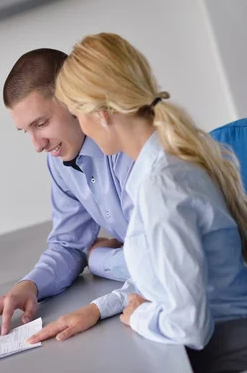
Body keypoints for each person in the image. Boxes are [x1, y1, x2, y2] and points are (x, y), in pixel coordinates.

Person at [28, 33, 247, 372]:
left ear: (101, 114)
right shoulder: (161, 164)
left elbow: (190, 325)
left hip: (222, 353)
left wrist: (140, 315)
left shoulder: (162, 185)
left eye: (77, 113)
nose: (80, 127)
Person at [0, 48, 135, 339]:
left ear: (75, 100)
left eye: (41, 123)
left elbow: (154, 262)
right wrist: (30, 285)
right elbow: (69, 244)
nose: (37, 145)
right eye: (26, 130)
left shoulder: (128, 147)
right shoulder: (60, 161)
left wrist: (100, 258)